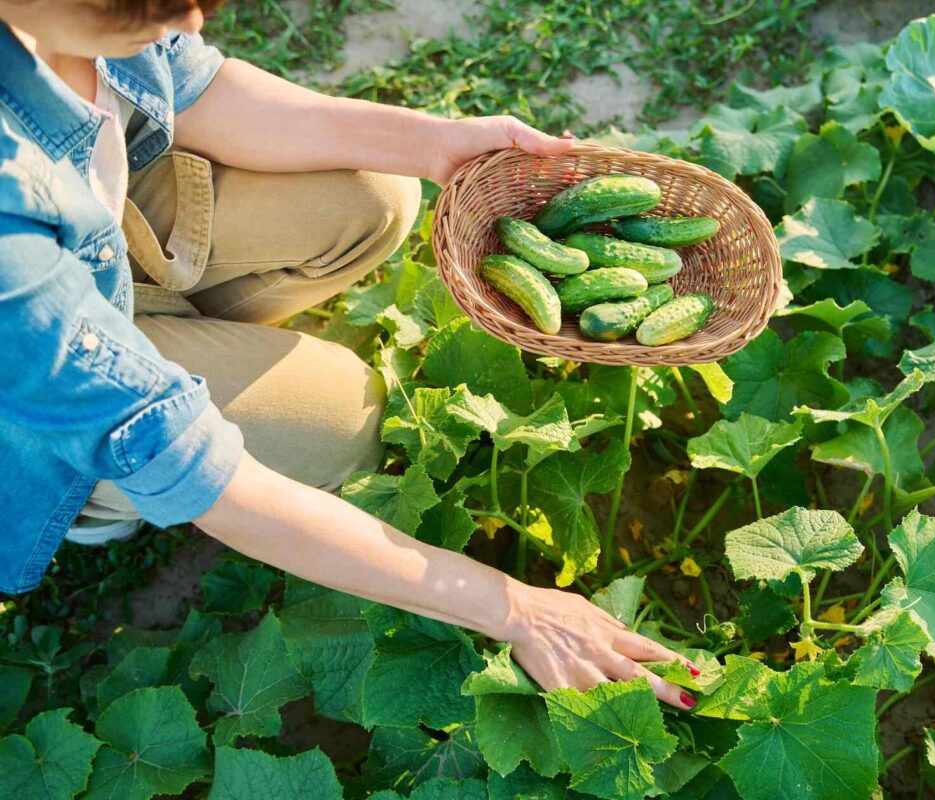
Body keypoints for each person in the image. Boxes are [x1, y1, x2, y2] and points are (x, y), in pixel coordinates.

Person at [0, 0, 699, 710]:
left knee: (376, 190)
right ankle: (98, 495)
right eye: (156, 9)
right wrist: (513, 609)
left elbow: (198, 88)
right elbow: (190, 460)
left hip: (93, 259)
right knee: (342, 419)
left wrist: (437, 144)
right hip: (24, 417)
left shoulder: (80, 19)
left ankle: (177, 349)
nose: (194, 23)